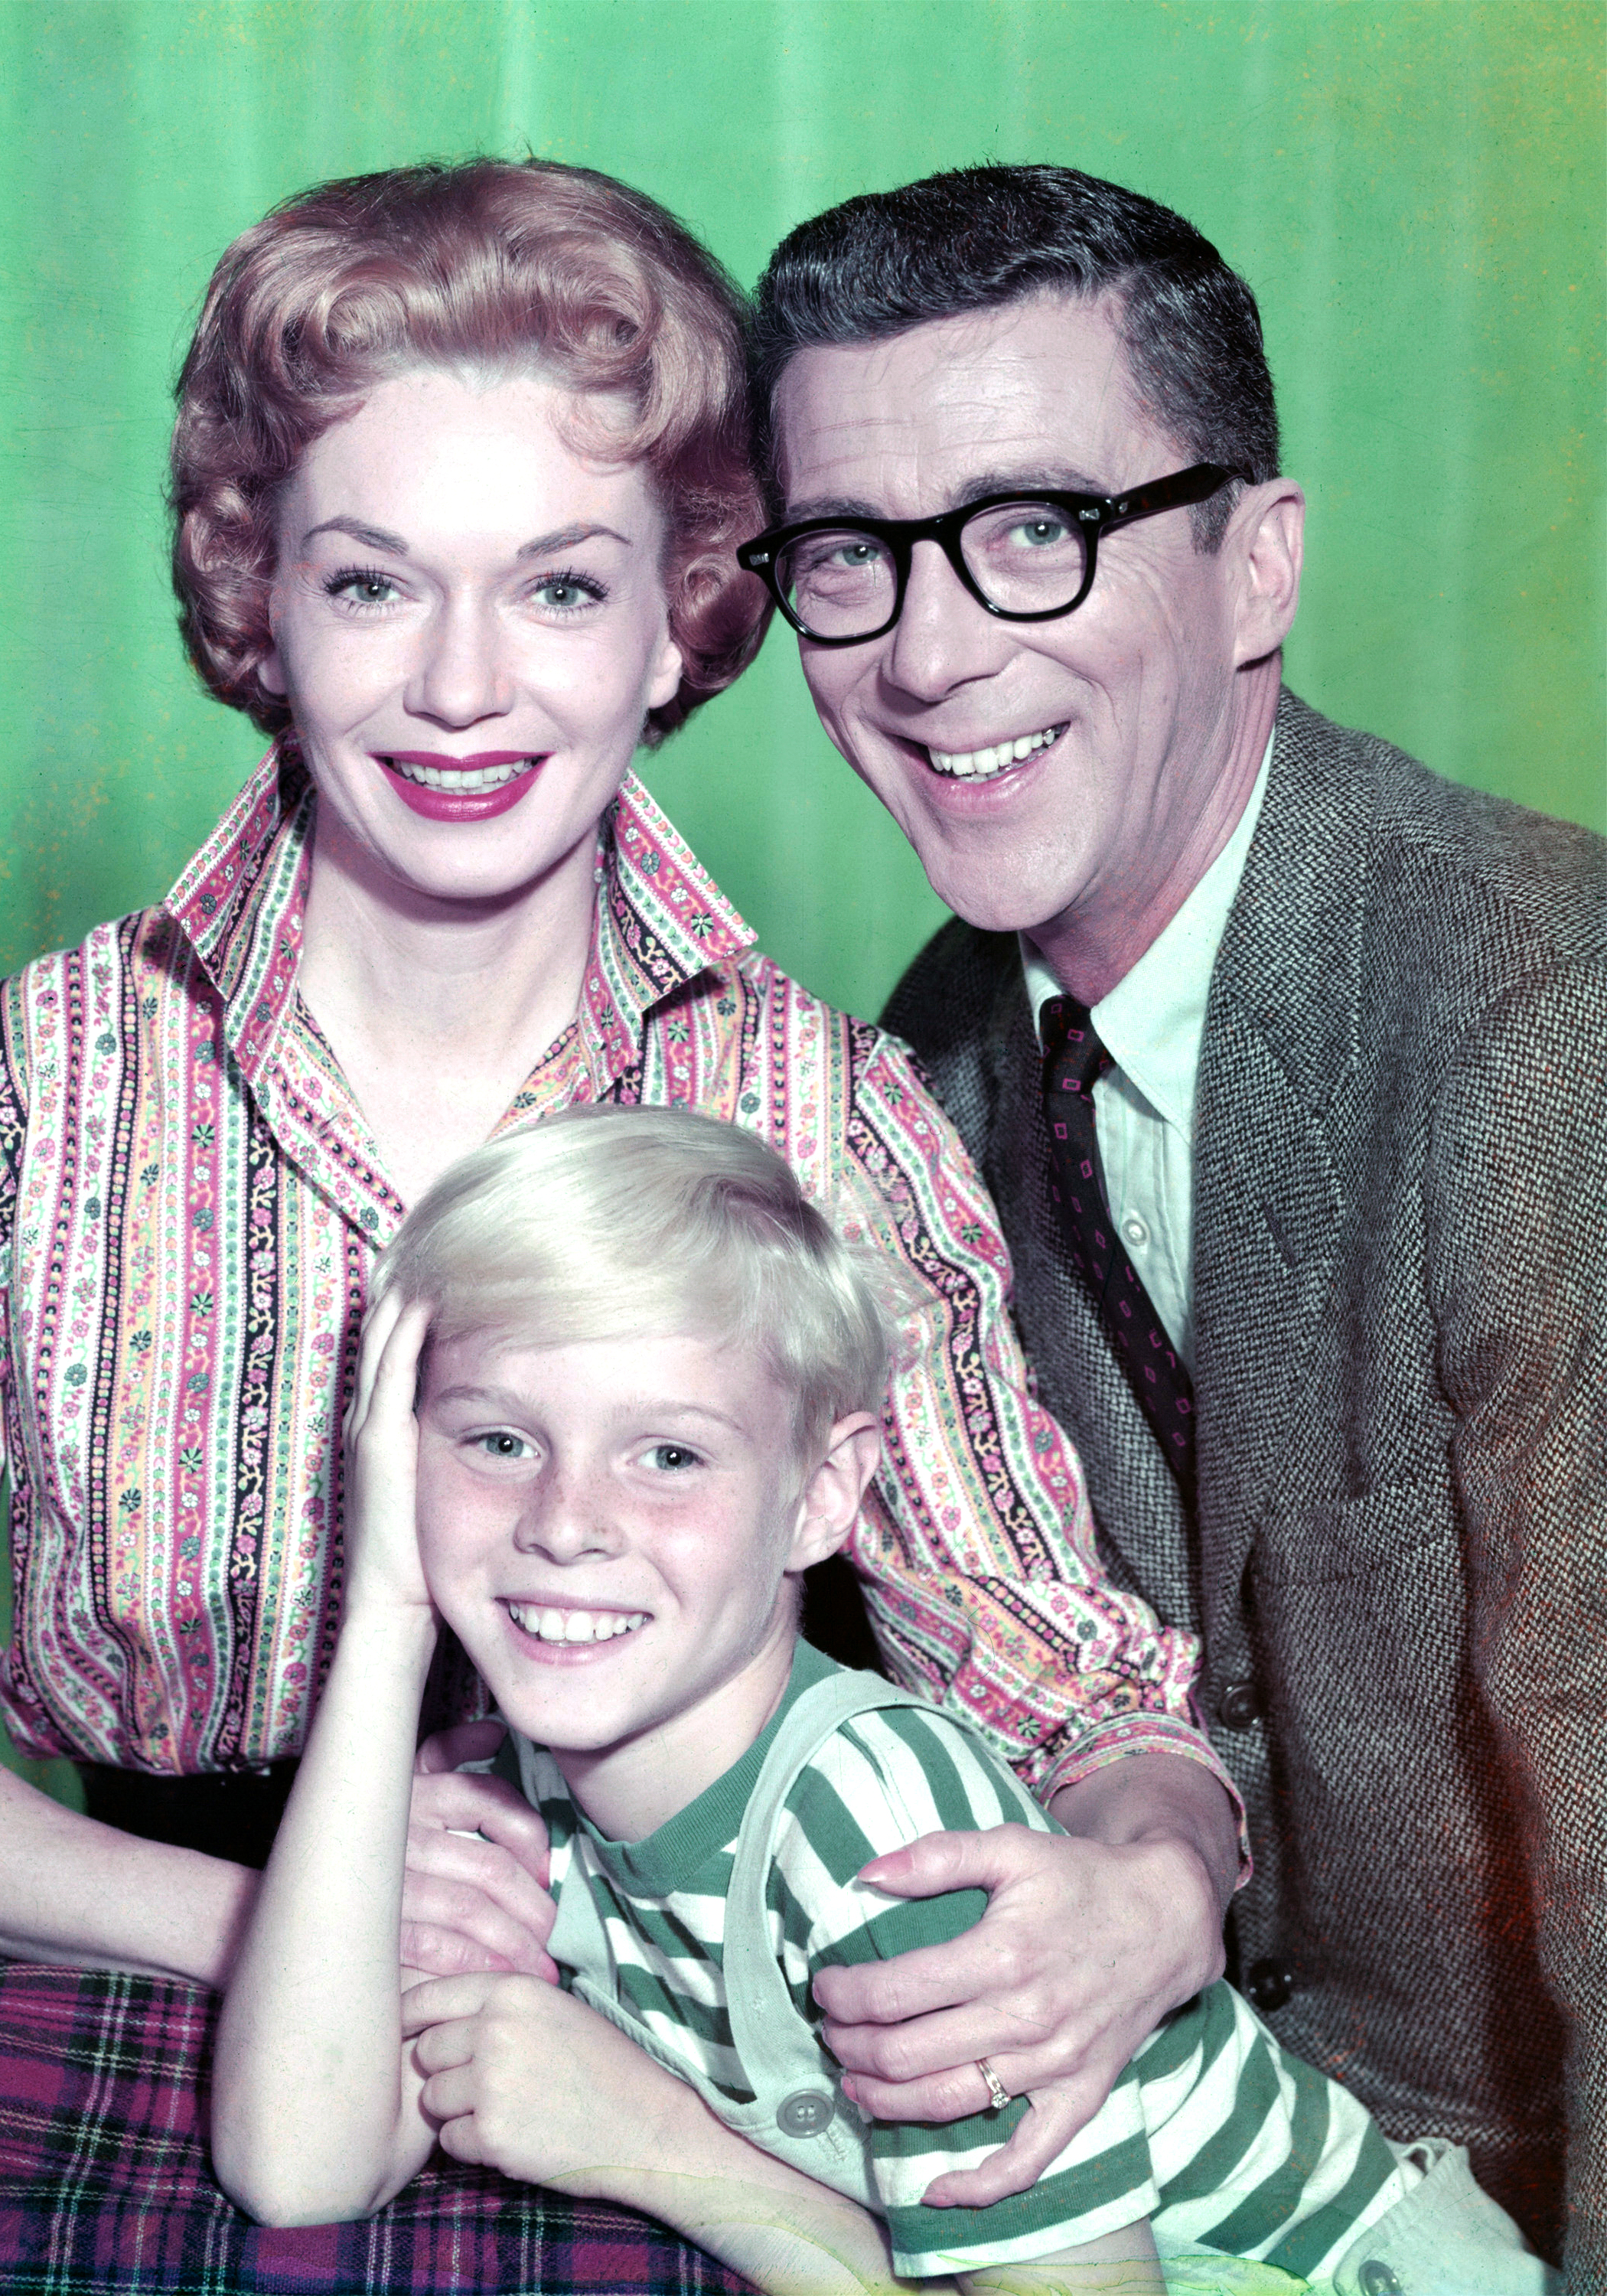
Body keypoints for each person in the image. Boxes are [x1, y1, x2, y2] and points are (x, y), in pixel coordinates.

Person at [0, 159, 1236, 2288]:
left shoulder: (816, 1110)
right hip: (132, 1993)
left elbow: (1066, 1692)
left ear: (681, 606)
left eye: (561, 589)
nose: (464, 690)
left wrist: (1148, 1881)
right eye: (376, 584)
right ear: (260, 598)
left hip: (689, 2042)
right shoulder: (27, 1088)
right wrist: (260, 1920)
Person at [729, 162, 1606, 2280]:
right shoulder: (907, 1076)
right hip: (1172, 2165)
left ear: (1251, 567)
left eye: (1033, 532)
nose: (930, 653)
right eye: (847, 557)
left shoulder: (1545, 1031)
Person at [212, 1101, 1553, 2296]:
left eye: (668, 1454)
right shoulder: (512, 1776)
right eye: (497, 1441)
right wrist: (385, 1611)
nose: (565, 1522)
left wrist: (655, 2146)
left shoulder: (876, 1827)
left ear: (819, 1496)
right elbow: (299, 2167)